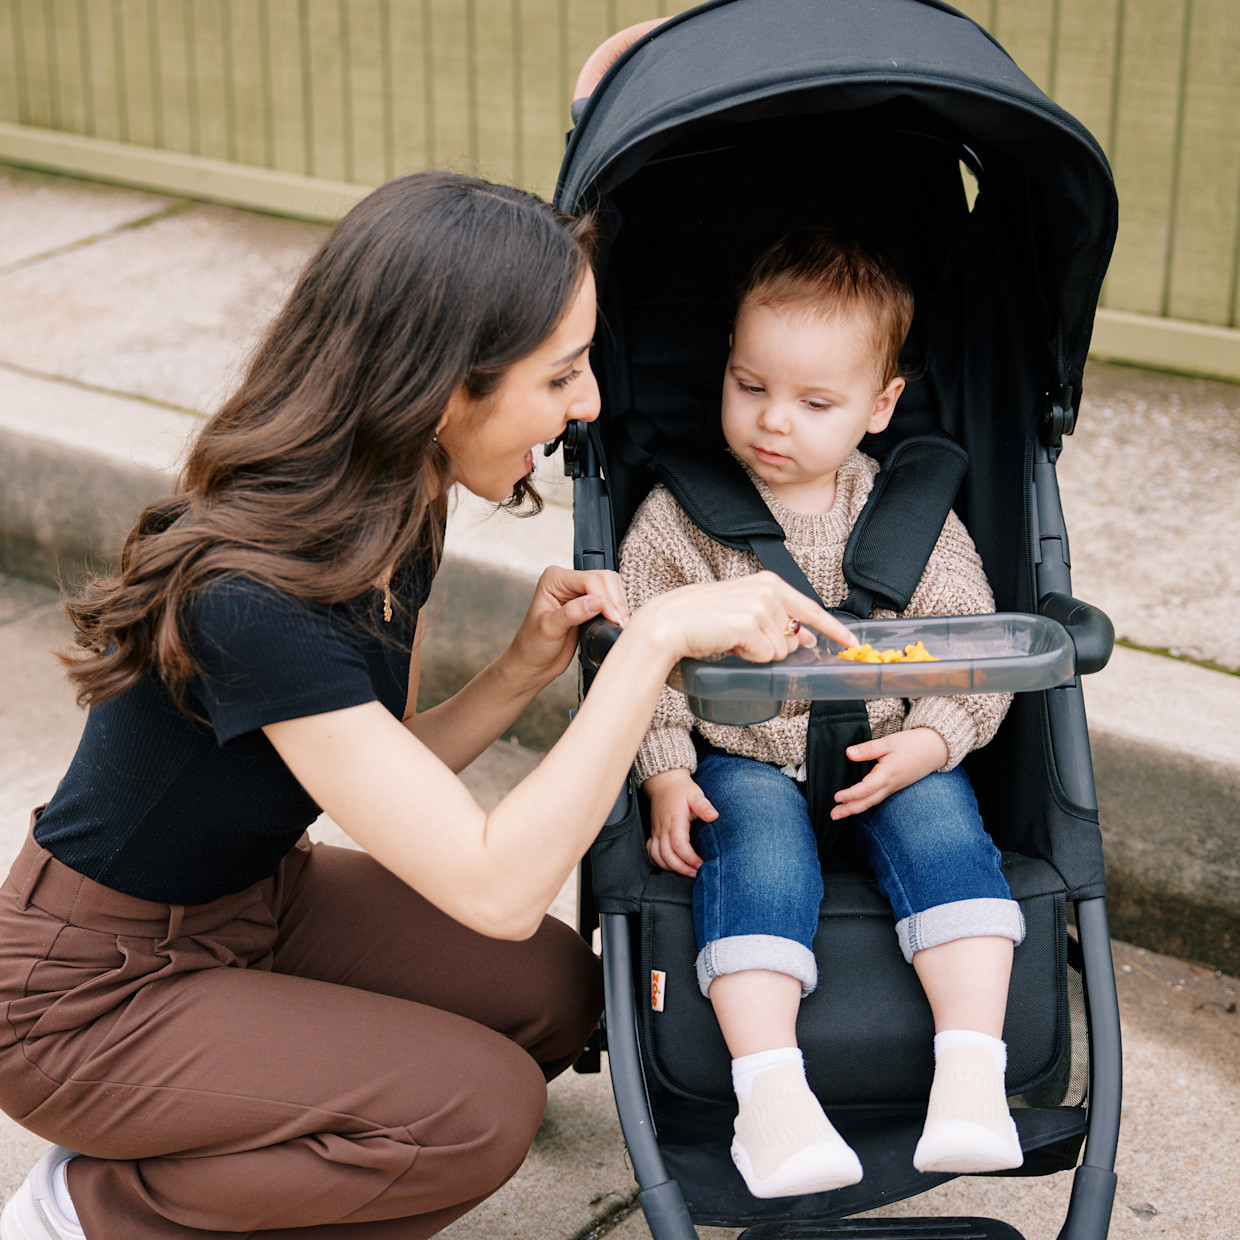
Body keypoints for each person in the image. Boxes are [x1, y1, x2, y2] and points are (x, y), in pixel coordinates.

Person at [0, 173, 856, 1240]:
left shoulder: (395, 504)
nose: (590, 402)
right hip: (85, 997)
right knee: (473, 1113)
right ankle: (89, 1208)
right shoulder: (251, 596)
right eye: (562, 375)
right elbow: (493, 884)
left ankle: (251, 1110)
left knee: (554, 992)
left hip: (255, 902)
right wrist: (655, 639)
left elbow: (385, 773)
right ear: (449, 389)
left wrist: (518, 670)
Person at [619, 227, 1026, 1200]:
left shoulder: (908, 517)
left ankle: (972, 1074)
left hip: (885, 754)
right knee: (751, 842)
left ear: (881, 405)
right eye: (750, 384)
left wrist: (934, 738)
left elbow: (977, 652)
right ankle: (772, 1099)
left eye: (813, 402)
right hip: (742, 756)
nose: (771, 421)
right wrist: (666, 769)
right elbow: (639, 662)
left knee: (943, 826)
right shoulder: (679, 518)